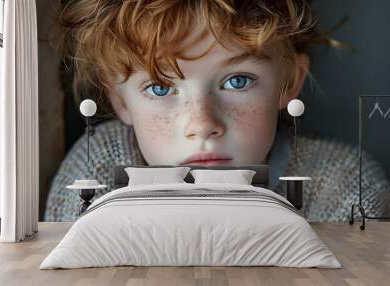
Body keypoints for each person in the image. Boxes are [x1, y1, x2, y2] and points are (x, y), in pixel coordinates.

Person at [44, 0, 390, 222]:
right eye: (161, 87)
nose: (202, 125)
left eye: (238, 81)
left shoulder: (343, 184)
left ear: (289, 83)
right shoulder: (99, 167)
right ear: (119, 100)